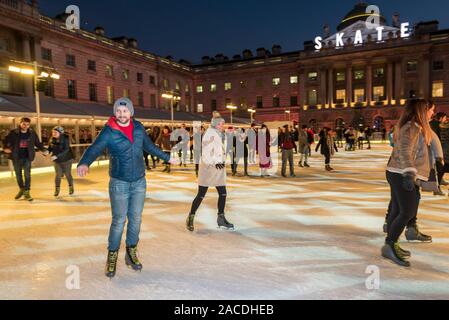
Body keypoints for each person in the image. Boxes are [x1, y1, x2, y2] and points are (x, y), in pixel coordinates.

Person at [77, 98, 177, 278]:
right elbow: (95, 148)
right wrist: (84, 162)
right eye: (118, 111)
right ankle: (112, 256)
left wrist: (167, 157)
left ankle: (131, 253)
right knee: (119, 221)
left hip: (139, 181)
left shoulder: (138, 128)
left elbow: (150, 147)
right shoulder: (109, 131)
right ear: (115, 112)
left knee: (136, 219)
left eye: (125, 111)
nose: (122, 114)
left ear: (131, 112)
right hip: (119, 182)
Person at [383, 99, 434, 267]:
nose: (432, 113)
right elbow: (405, 150)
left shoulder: (415, 127)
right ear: (422, 111)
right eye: (431, 110)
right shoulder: (411, 128)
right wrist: (409, 174)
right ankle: (390, 244)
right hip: (401, 173)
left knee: (398, 210)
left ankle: (391, 243)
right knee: (407, 211)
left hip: (397, 172)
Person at [186, 112, 234, 232]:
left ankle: (221, 218)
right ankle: (191, 217)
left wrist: (222, 160)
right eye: (221, 124)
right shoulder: (209, 134)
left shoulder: (218, 133)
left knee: (223, 193)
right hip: (208, 168)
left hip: (218, 168)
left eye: (223, 124)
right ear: (216, 124)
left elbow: (219, 150)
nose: (223, 126)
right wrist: (216, 161)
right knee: (201, 194)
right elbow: (206, 153)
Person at [3, 117, 48, 201]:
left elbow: (37, 143)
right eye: (24, 124)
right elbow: (5, 140)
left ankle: (27, 191)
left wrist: (43, 149)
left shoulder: (32, 133)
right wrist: (5, 147)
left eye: (27, 124)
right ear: (20, 123)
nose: (25, 126)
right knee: (18, 176)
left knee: (27, 175)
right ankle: (21, 189)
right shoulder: (14, 132)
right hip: (16, 157)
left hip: (27, 157)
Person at [48, 126, 75, 197]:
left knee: (67, 174)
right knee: (58, 175)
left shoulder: (65, 139)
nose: (53, 133)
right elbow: (50, 148)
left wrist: (56, 156)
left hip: (67, 160)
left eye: (55, 132)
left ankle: (71, 186)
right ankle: (57, 189)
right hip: (57, 161)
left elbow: (66, 150)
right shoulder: (51, 139)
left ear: (60, 133)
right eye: (53, 132)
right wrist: (47, 152)